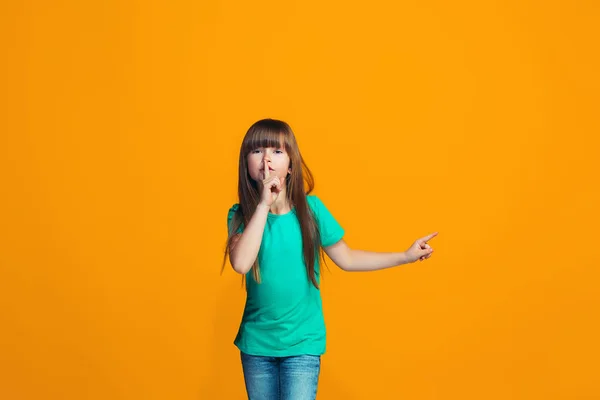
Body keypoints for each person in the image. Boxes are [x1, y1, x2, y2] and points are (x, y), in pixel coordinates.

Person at [223, 118, 438, 400]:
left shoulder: (311, 210)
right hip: (257, 346)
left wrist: (405, 256)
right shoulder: (240, 215)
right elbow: (241, 263)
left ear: (291, 165)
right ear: (247, 165)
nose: (266, 160)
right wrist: (263, 204)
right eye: (257, 151)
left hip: (302, 344)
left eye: (276, 151)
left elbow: (347, 258)